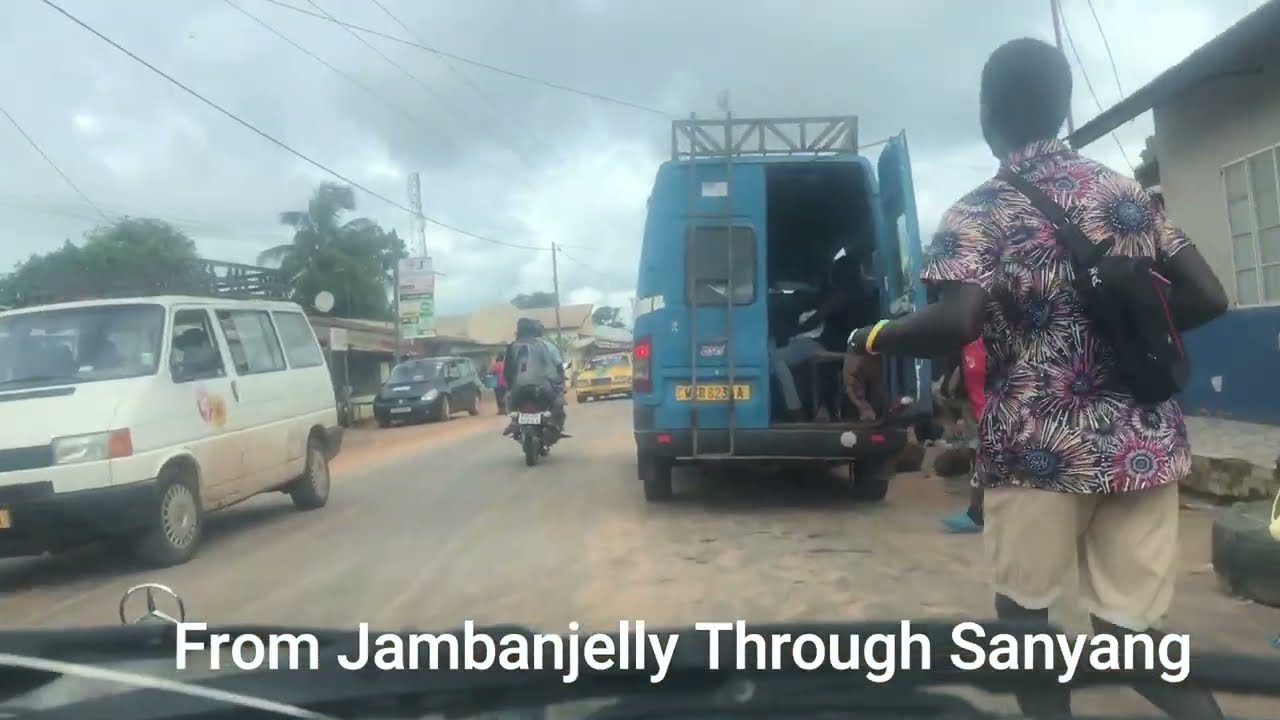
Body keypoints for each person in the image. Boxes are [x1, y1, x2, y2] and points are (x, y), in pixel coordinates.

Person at [840, 38, 1228, 719]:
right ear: (1062, 108)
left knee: (1025, 628)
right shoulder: (1127, 196)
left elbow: (958, 320)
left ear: (988, 114)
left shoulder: (977, 212)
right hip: (1143, 442)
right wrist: (1124, 339)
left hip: (1036, 451)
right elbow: (1207, 298)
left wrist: (868, 337)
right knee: (1131, 637)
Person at [940, 338, 986, 534]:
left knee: (982, 462)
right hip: (981, 413)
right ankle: (975, 513)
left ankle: (976, 514)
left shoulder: (972, 346)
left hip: (993, 414)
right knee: (980, 462)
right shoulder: (969, 347)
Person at [502, 318, 567, 432]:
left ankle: (514, 422)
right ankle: (556, 425)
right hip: (543, 387)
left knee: (509, 401)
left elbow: (508, 370)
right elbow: (558, 366)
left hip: (518, 388)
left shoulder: (512, 346)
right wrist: (559, 382)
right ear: (537, 331)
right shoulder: (546, 345)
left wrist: (511, 386)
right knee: (558, 401)